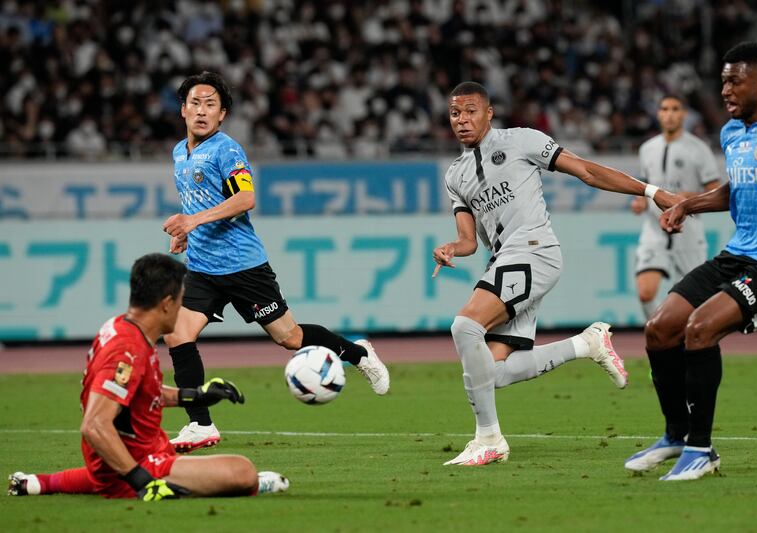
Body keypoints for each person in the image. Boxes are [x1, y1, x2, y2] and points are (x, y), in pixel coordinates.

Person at [433, 81, 681, 466]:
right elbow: (469, 239)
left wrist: (651, 192)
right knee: (493, 372)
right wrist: (452, 247)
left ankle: (489, 439)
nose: (462, 120)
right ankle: (586, 344)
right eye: (455, 114)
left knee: (464, 327)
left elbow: (586, 171)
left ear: (488, 113)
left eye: (470, 111)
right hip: (502, 261)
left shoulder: (520, 141)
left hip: (534, 252)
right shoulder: (455, 176)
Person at [161, 72, 390, 452]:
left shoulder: (226, 150)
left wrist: (193, 220)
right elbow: (201, 202)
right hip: (202, 268)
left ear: (222, 115)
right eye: (195, 103)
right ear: (183, 109)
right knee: (177, 334)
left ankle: (359, 353)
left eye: (211, 105)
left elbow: (245, 199)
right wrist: (187, 231)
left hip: (242, 266)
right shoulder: (178, 152)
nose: (202, 111)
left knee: (290, 338)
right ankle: (200, 424)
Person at [625, 42, 757, 480]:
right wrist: (687, 205)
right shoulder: (731, 133)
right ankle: (677, 436)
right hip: (737, 253)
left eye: (734, 81)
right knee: (660, 328)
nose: (724, 90)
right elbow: (733, 190)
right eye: (723, 80)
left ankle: (702, 450)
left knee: (700, 329)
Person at [8, 253, 288, 500]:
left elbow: (140, 392)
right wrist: (141, 481)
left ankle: (39, 483)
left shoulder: (122, 328)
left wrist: (196, 395)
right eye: (181, 301)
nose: (183, 308)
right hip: (135, 462)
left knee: (110, 473)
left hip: (126, 458)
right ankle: (245, 486)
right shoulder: (127, 350)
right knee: (242, 471)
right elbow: (94, 425)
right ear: (167, 304)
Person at [631, 95, 721, 319]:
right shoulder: (647, 149)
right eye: (664, 109)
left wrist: (687, 197)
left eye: (674, 109)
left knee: (697, 297)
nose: (669, 114)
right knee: (645, 292)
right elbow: (645, 185)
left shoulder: (699, 149)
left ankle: (692, 339)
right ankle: (658, 337)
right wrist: (640, 202)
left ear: (683, 114)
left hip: (688, 230)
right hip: (654, 229)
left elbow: (717, 191)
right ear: (658, 114)